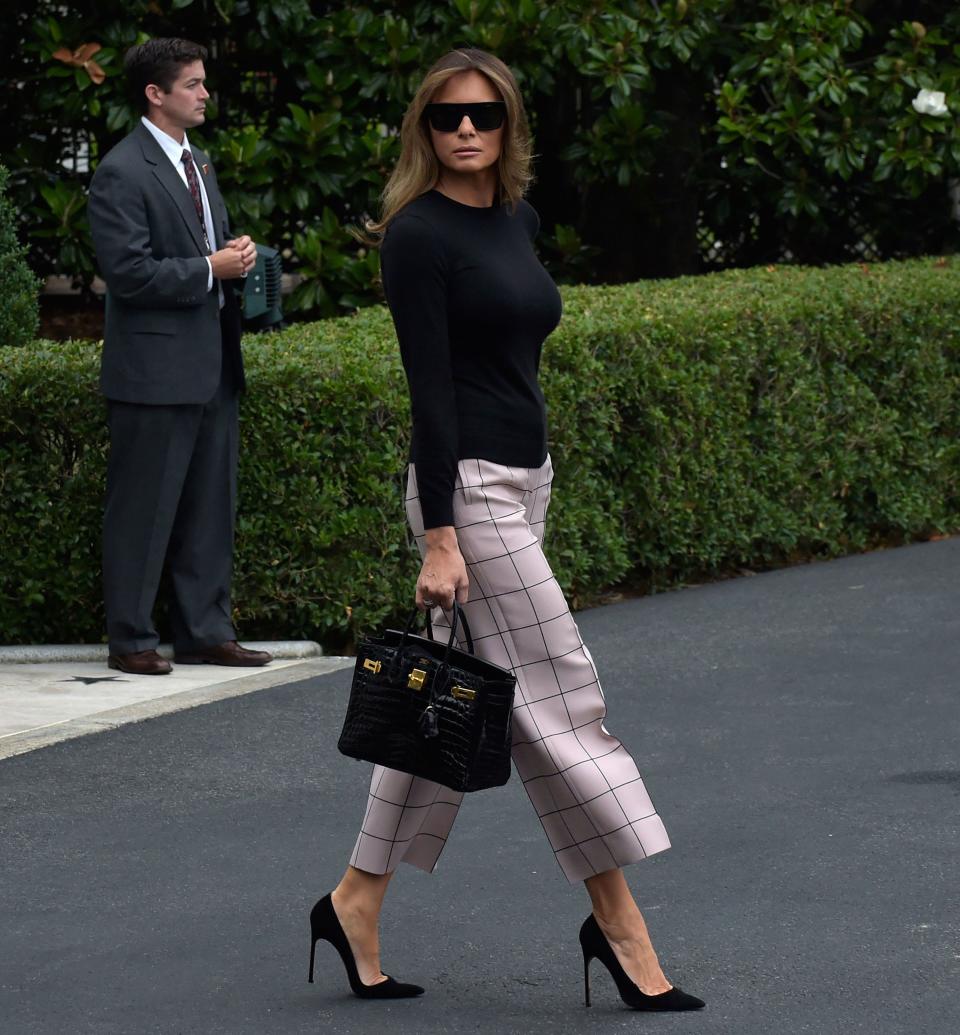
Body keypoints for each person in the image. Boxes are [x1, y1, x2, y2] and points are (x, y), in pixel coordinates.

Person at [309, 49, 704, 1012]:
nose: (467, 131)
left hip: (526, 479)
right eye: (447, 118)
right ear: (425, 130)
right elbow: (430, 395)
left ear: (509, 123)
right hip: (467, 492)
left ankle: (353, 900)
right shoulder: (417, 237)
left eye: (484, 114)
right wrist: (440, 533)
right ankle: (619, 923)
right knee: (557, 693)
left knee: (458, 697)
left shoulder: (516, 221)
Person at [87, 38, 271, 675]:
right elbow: (128, 273)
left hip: (213, 365)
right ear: (155, 94)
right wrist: (208, 267)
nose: (203, 94)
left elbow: (203, 248)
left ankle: (204, 632)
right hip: (154, 374)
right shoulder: (121, 170)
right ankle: (131, 640)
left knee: (208, 509)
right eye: (192, 84)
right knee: (142, 510)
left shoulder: (199, 163)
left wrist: (234, 256)